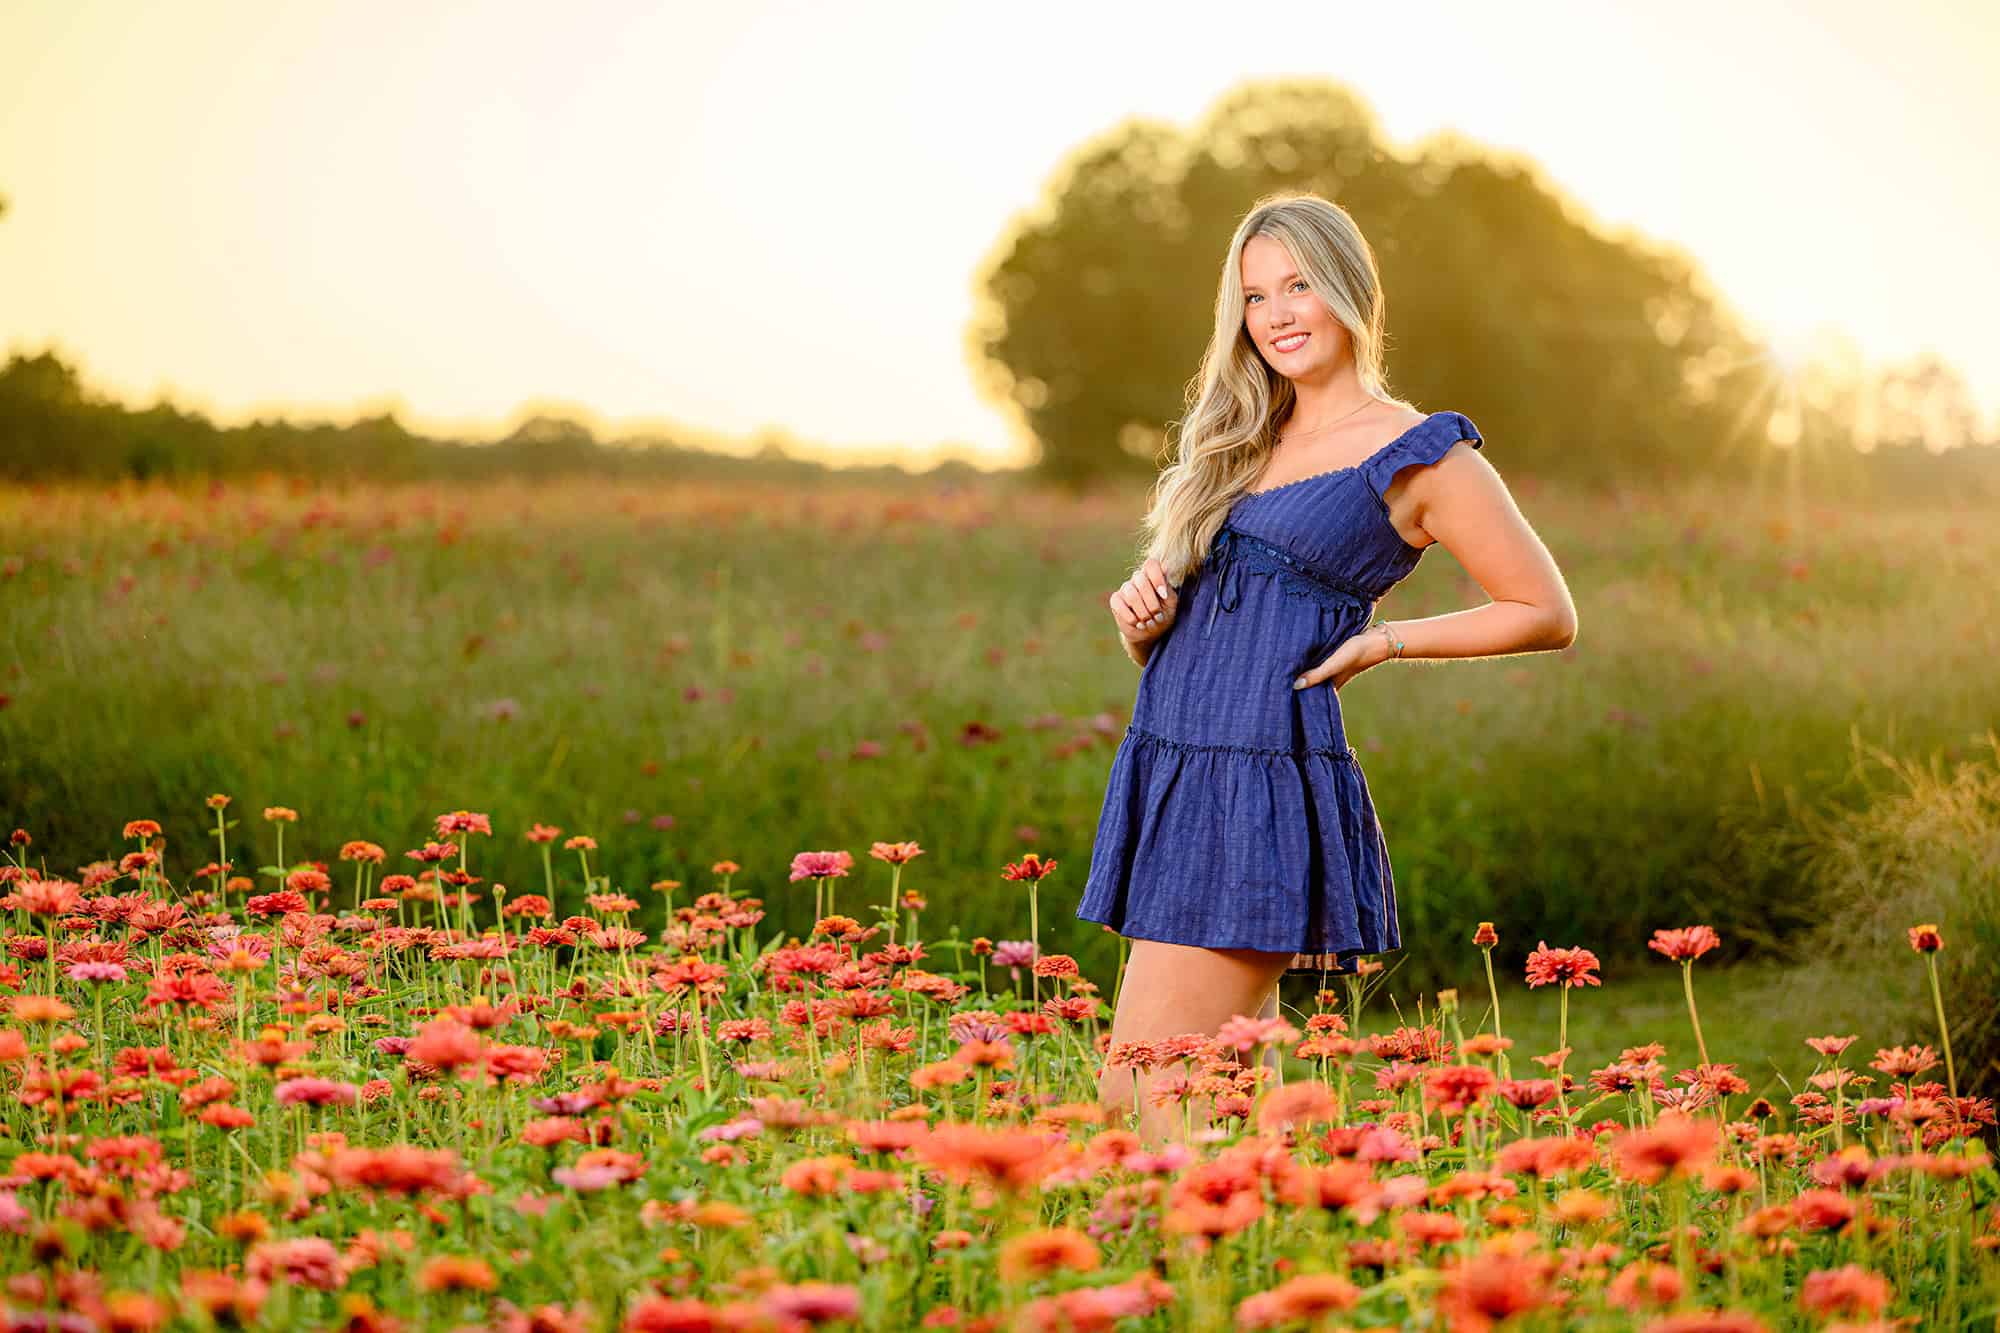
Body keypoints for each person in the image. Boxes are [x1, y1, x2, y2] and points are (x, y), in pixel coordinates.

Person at [1075, 193, 1577, 1144]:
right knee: (1210, 1113)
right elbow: (1219, 621)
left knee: (1145, 1112)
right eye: (1257, 295)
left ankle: (1204, 1278)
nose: (1278, 313)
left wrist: (1385, 642)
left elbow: (1545, 610)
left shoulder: (1420, 450)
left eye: (1300, 283)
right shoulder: (1240, 440)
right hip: (1175, 762)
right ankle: (1275, 1271)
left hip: (1257, 777)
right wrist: (1145, 619)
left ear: (1351, 288)